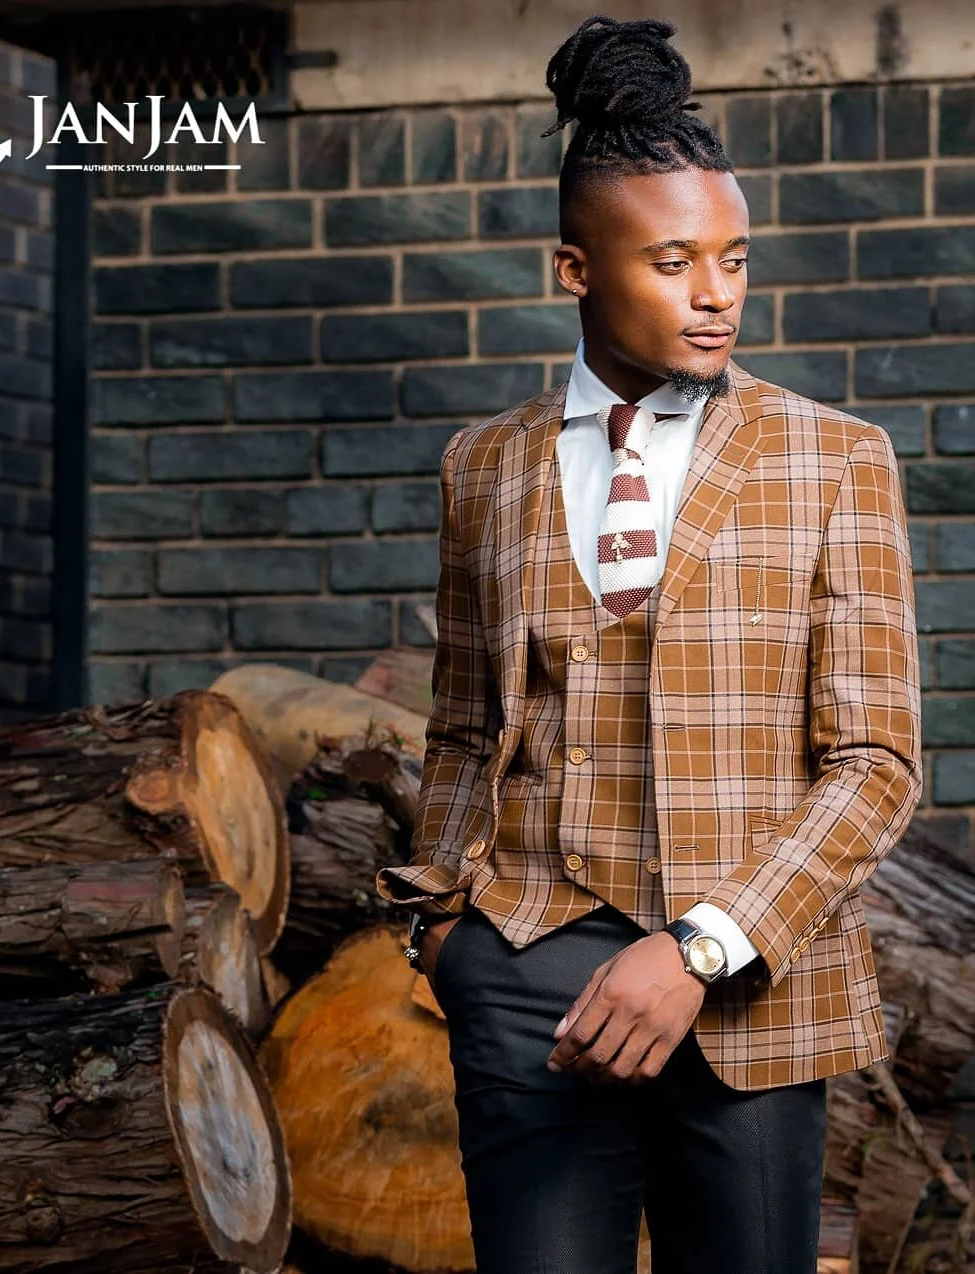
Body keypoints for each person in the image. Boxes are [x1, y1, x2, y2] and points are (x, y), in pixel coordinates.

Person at [375, 16, 922, 1274]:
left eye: (733, 256)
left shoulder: (832, 458)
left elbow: (878, 761)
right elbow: (464, 724)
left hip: (746, 983)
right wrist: (443, 927)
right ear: (574, 267)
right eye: (673, 260)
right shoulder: (484, 465)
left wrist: (700, 947)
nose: (717, 291)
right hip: (523, 969)